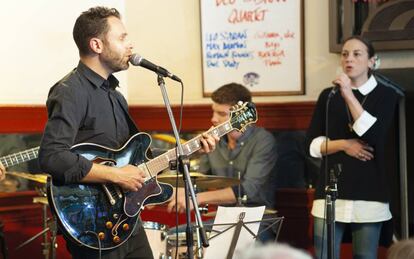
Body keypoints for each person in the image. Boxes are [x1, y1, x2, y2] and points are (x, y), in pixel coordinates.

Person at [39, 6, 217, 259]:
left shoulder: (116, 96)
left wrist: (190, 148)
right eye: (122, 38)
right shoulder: (70, 91)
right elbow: (52, 156)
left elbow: (134, 161)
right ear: (97, 45)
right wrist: (115, 175)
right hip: (91, 222)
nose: (130, 45)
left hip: (126, 221)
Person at [306, 36, 399, 259]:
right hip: (330, 192)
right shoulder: (328, 96)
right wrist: (344, 144)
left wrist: (348, 94)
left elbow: (373, 135)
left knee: (365, 256)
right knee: (324, 255)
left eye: (357, 54)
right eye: (345, 54)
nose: (349, 59)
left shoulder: (387, 95)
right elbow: (312, 145)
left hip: (370, 193)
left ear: (372, 61)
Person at [167, 83, 278, 242]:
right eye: (213, 112)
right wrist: (180, 192)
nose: (213, 119)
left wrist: (196, 199)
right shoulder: (215, 141)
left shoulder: (263, 140)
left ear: (241, 115)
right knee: (172, 236)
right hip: (222, 219)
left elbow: (249, 189)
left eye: (221, 113)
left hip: (257, 221)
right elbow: (198, 178)